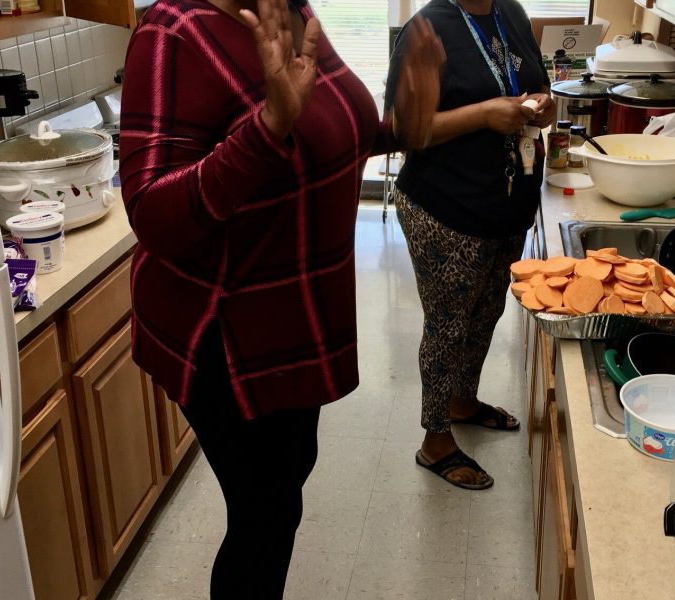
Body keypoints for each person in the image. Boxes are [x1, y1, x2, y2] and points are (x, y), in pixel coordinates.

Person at [119, 0, 444, 597]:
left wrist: (406, 117)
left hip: (295, 320)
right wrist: (266, 128)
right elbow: (152, 215)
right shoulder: (175, 31)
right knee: (264, 514)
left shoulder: (292, 10)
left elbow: (336, 134)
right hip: (225, 333)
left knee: (285, 486)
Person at [385, 0, 556, 490]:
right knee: (447, 325)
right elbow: (404, 131)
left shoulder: (514, 14)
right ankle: (435, 440)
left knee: (484, 313)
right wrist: (485, 114)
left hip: (505, 206)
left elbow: (536, 87)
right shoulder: (427, 27)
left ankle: (463, 399)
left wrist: (542, 106)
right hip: (445, 209)